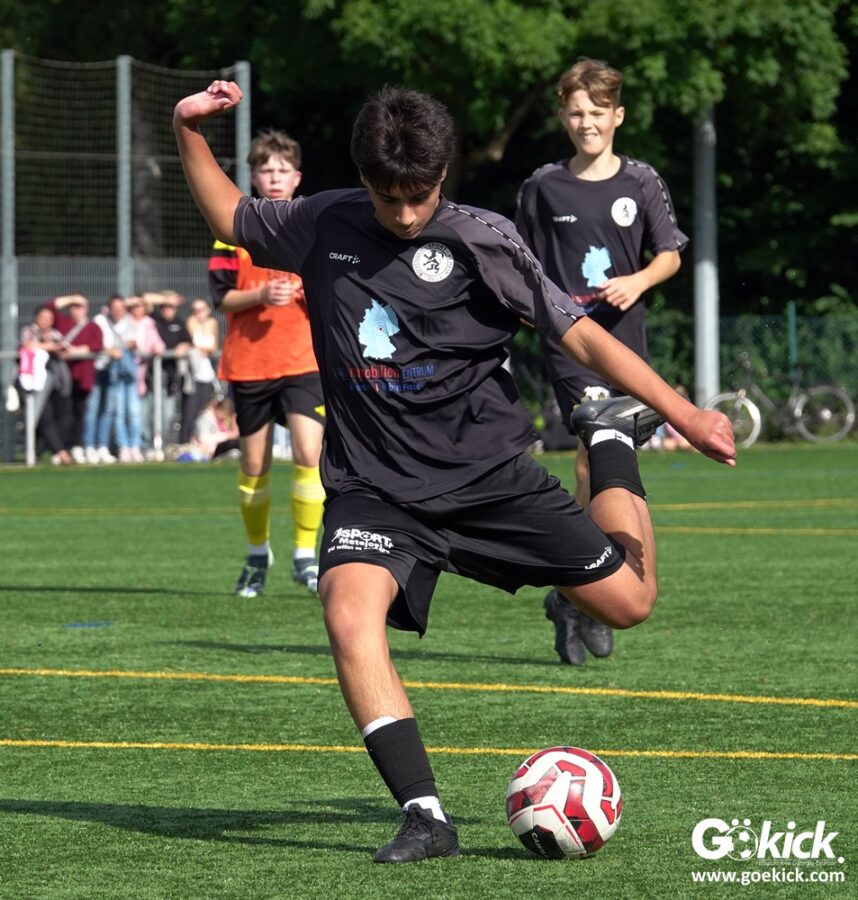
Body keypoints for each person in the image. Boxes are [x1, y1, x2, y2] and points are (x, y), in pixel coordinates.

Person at [174, 79, 734, 864]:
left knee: (628, 603)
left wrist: (684, 411)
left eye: (419, 196)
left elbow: (578, 336)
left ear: (443, 174)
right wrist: (186, 127)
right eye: (388, 197)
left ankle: (609, 440)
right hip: (375, 487)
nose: (406, 214)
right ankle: (425, 815)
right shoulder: (323, 222)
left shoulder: (483, 239)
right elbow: (231, 215)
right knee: (347, 613)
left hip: (487, 476)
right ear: (363, 178)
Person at [515, 58, 689, 666]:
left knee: (610, 467)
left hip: (626, 346)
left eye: (596, 112)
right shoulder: (542, 186)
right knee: (596, 450)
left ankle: (573, 593)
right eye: (575, 112)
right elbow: (518, 258)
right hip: (571, 346)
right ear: (562, 116)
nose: (585, 122)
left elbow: (670, 253)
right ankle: (594, 583)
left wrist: (637, 281)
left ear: (618, 116)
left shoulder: (641, 181)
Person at [208, 128, 326, 597]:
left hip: (304, 361)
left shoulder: (315, 230)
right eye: (265, 170)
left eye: (282, 169)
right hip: (250, 363)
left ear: (297, 177)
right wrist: (261, 294)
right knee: (254, 465)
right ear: (254, 177)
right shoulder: (231, 233)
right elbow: (221, 298)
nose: (274, 177)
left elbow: (338, 288)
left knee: (308, 453)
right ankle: (258, 554)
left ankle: (305, 556)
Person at [46, 294, 104, 462]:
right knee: (62, 413)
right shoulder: (63, 323)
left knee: (80, 413)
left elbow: (97, 346)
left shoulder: (92, 326)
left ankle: (77, 446)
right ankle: (61, 448)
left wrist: (77, 350)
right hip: (62, 378)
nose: (76, 310)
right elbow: (49, 307)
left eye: (80, 307)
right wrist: (71, 298)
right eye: (74, 306)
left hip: (82, 377)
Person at [19, 306, 74, 464]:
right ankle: (58, 452)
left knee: (48, 417)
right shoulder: (29, 331)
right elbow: (27, 345)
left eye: (49, 318)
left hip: (52, 384)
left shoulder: (55, 334)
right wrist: (49, 346)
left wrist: (58, 348)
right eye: (43, 317)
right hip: (32, 382)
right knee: (39, 416)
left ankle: (42, 452)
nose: (45, 321)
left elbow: (65, 349)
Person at [148, 290, 192, 455]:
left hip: (170, 377)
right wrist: (166, 298)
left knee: (168, 414)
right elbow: (144, 299)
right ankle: (148, 446)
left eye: (171, 307)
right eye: (164, 306)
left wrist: (184, 347)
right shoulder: (154, 320)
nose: (167, 309)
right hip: (151, 376)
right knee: (149, 413)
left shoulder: (179, 323)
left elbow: (188, 342)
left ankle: (164, 445)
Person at [127, 294, 166, 460]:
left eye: (140, 305)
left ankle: (141, 446)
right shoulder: (124, 321)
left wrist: (158, 347)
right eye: (134, 306)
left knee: (139, 414)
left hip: (140, 377)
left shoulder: (149, 324)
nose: (137, 309)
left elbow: (158, 343)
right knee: (122, 413)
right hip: (123, 374)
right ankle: (125, 446)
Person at [180, 298, 219, 443]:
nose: (199, 313)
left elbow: (213, 347)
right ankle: (185, 441)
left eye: (202, 310)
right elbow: (195, 343)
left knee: (203, 409)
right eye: (196, 310)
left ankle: (198, 440)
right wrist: (203, 347)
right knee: (190, 410)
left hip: (206, 374)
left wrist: (203, 347)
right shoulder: (191, 322)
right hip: (193, 374)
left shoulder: (212, 323)